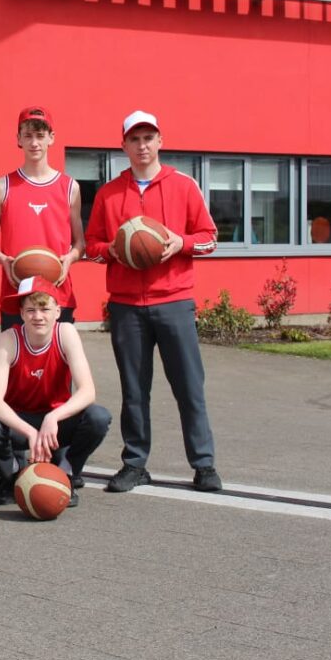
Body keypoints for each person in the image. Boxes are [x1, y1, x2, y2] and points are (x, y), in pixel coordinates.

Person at [84, 110, 222, 493]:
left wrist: (182, 243)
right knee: (134, 390)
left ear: (160, 141)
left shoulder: (184, 185)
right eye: (135, 139)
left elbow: (210, 238)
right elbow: (91, 246)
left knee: (189, 387)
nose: (142, 145)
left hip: (174, 302)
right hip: (127, 305)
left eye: (148, 138)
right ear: (124, 145)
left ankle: (204, 464)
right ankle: (134, 463)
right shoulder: (109, 193)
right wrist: (111, 250)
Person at [0, 277, 111, 507]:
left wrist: (53, 417)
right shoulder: (9, 339)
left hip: (56, 422)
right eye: (30, 310)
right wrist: (30, 432)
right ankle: (11, 475)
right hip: (20, 421)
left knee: (98, 417)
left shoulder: (66, 333)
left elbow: (88, 391)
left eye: (44, 309)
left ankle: (66, 474)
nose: (38, 316)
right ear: (21, 313)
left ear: (58, 311)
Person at [0, 106, 85, 329]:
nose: (34, 143)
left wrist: (69, 258)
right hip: (16, 293)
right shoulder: (2, 187)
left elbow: (80, 243)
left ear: (51, 138)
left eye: (40, 136)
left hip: (58, 293)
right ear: (18, 139)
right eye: (28, 136)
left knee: (60, 353)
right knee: (15, 352)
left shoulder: (70, 187)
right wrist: (4, 260)